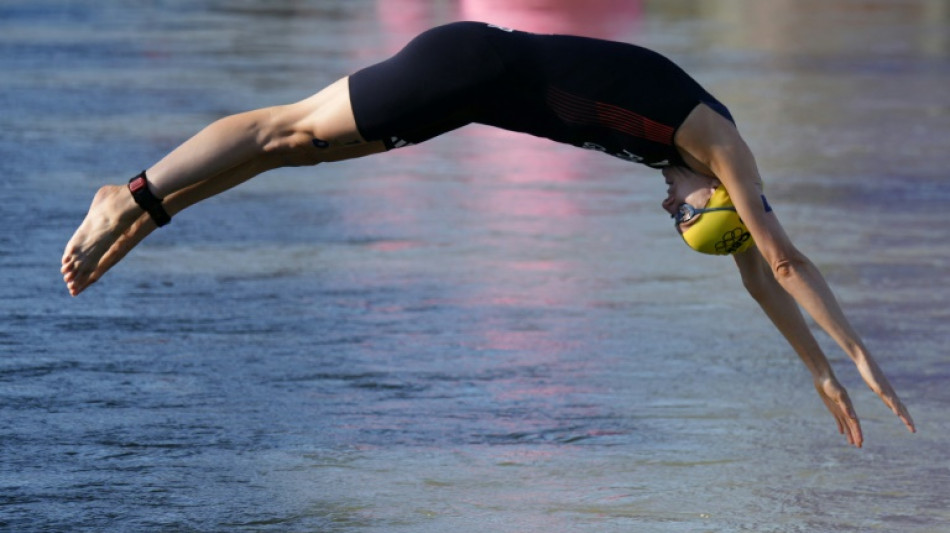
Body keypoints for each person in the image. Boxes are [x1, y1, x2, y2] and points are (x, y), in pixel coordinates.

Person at [61, 21, 915, 447]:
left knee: (292, 150)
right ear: (717, 198)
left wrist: (815, 373)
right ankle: (128, 193)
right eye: (687, 216)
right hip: (470, 69)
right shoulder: (722, 147)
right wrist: (861, 357)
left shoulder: (702, 162)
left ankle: (145, 212)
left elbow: (758, 272)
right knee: (284, 133)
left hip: (469, 88)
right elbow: (780, 256)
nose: (671, 210)